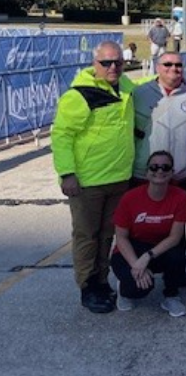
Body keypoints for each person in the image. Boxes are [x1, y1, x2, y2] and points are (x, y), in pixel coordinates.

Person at [53, 41, 135, 314]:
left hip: (119, 177)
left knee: (107, 235)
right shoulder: (79, 95)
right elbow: (62, 135)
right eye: (106, 63)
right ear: (94, 63)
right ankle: (87, 287)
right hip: (88, 181)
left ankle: (101, 280)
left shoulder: (126, 88)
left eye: (118, 62)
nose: (113, 67)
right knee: (87, 235)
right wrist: (67, 174)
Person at [111, 151, 186, 317]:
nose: (159, 171)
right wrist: (136, 264)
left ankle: (171, 295)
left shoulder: (181, 197)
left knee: (177, 255)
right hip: (131, 249)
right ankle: (124, 289)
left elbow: (175, 237)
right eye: (154, 167)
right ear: (147, 172)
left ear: (171, 172)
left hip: (158, 249)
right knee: (139, 289)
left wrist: (147, 257)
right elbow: (121, 237)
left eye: (165, 167)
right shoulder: (130, 198)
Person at [132, 51, 186, 192]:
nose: (173, 68)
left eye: (178, 65)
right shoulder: (139, 93)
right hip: (144, 175)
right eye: (168, 64)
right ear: (157, 67)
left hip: (179, 176)